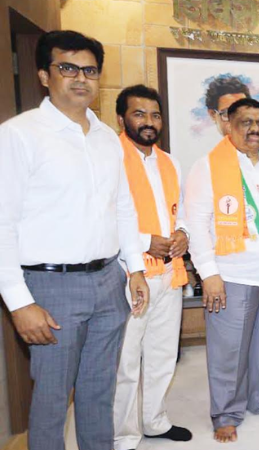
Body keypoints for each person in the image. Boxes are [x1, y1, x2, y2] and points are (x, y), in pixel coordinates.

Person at [0, 30, 149, 450]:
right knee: (51, 402)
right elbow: (2, 222)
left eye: (90, 70)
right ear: (44, 76)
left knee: (99, 393)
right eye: (68, 68)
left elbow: (122, 207)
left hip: (108, 281)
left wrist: (135, 267)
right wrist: (19, 302)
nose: (80, 78)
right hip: (50, 288)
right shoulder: (19, 135)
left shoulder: (107, 139)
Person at [185, 97, 259, 443]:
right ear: (228, 125)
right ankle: (225, 412)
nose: (255, 129)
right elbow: (196, 223)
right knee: (229, 349)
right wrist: (208, 273)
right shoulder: (208, 167)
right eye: (246, 122)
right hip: (233, 273)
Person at [113, 85, 192, 450]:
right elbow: (104, 217)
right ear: (121, 119)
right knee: (126, 361)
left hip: (170, 274)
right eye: (139, 114)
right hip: (129, 275)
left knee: (162, 355)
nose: (149, 122)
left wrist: (183, 234)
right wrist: (145, 242)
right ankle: (124, 436)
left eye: (155, 115)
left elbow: (182, 210)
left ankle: (155, 421)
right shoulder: (111, 158)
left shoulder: (169, 162)